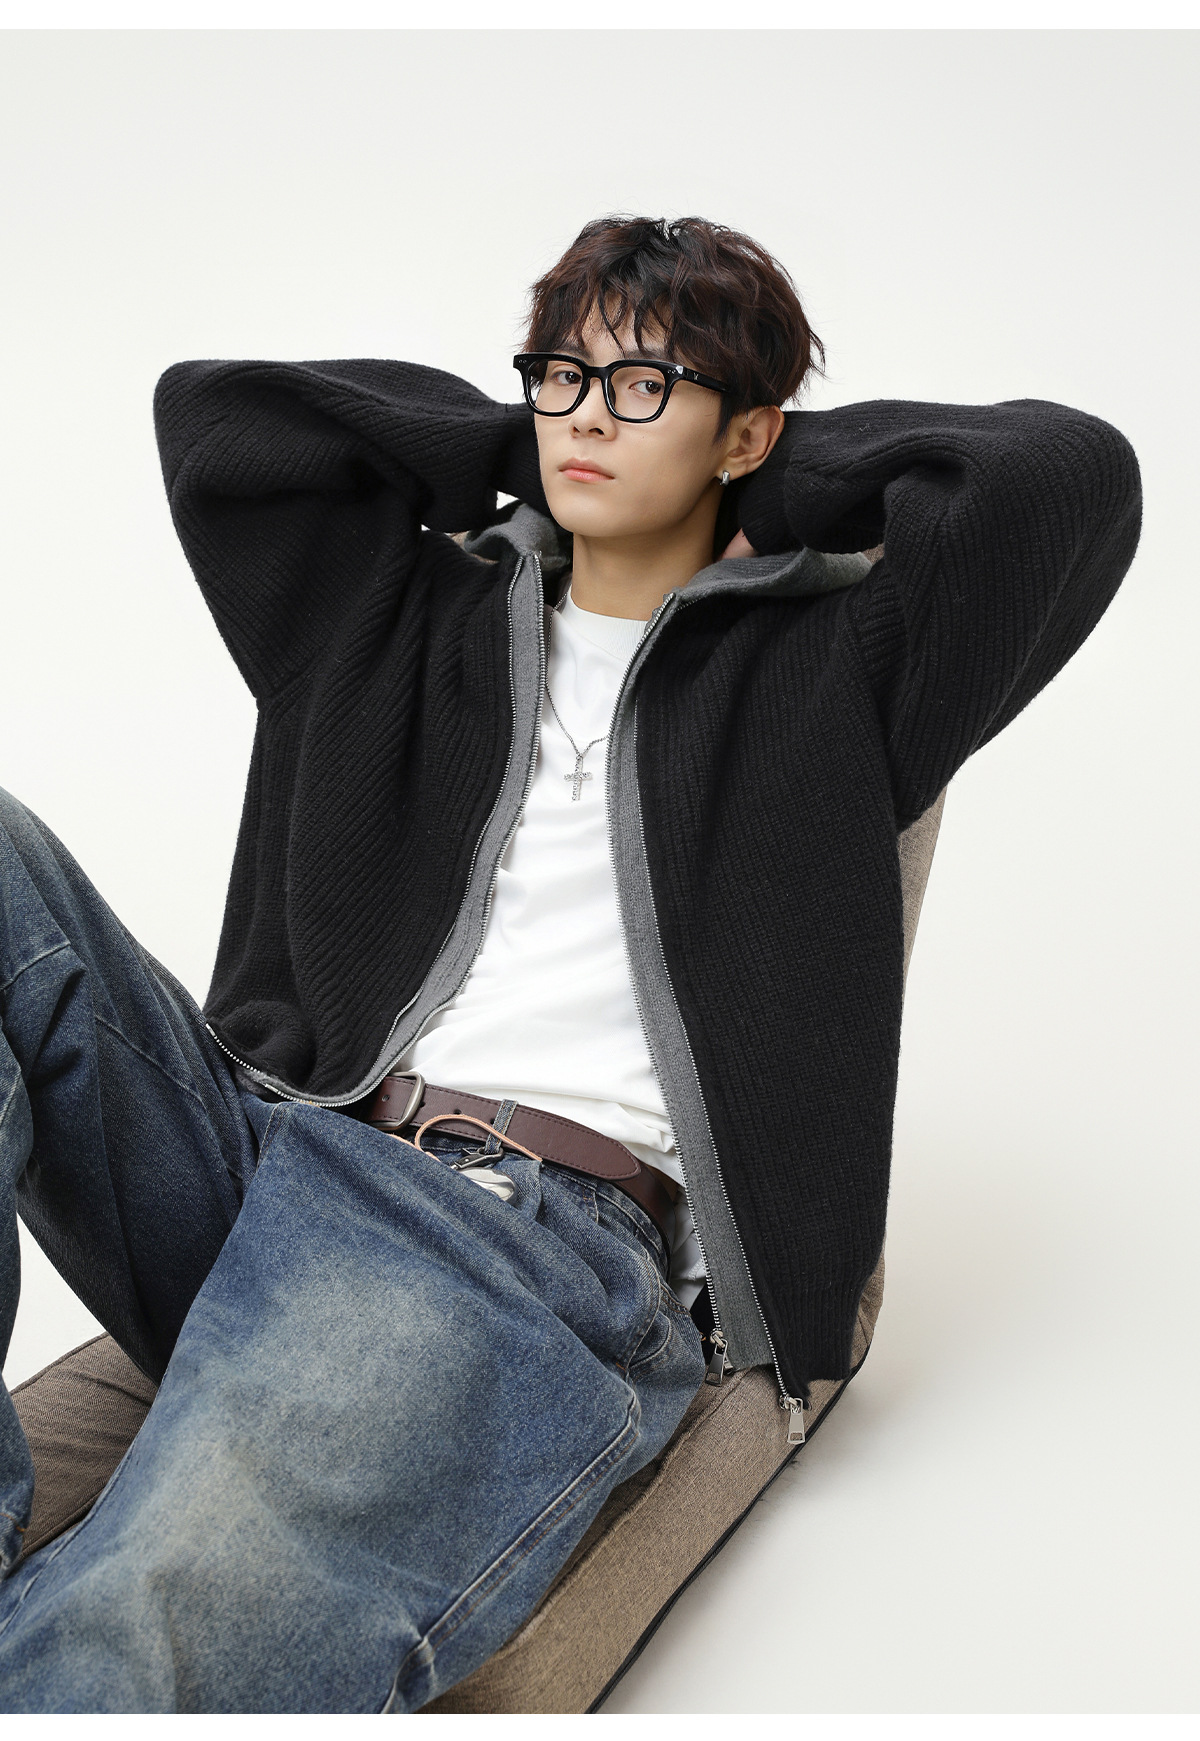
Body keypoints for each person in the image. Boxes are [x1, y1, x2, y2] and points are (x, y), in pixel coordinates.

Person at [0, 215, 1141, 1712]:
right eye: (561, 376)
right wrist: (555, 440)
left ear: (751, 432)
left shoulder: (836, 665)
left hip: (523, 1238)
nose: (587, 416)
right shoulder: (406, 614)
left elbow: (1070, 478)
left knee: (153, 1610)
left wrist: (757, 470)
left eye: (643, 385)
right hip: (270, 1150)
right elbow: (222, 422)